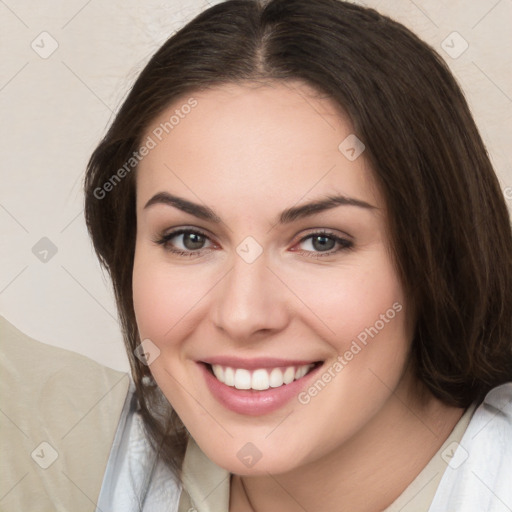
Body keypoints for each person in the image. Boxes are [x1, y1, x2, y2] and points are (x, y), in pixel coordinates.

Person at [2, 0, 511, 511]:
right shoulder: (68, 460)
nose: (243, 315)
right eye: (190, 239)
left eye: (321, 241)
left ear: (439, 256)